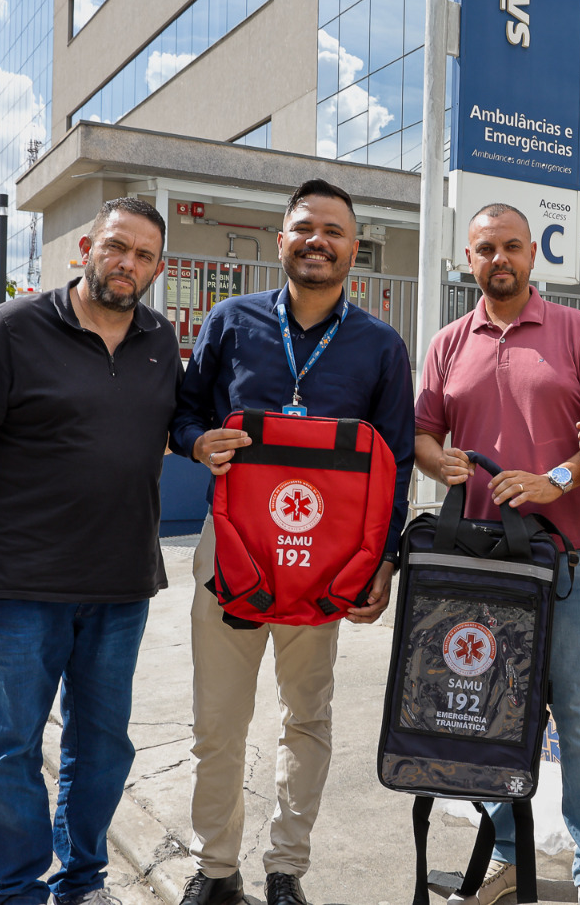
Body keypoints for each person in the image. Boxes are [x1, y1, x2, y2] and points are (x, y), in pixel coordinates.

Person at [0, 196, 180, 905]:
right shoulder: (15, 328)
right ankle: (15, 892)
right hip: (22, 589)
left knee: (102, 750)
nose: (127, 263)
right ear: (84, 248)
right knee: (12, 747)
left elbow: (165, 430)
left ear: (157, 269)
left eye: (143, 255)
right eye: (116, 247)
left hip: (121, 586)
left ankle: (82, 880)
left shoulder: (161, 340)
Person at [171, 178, 414, 905]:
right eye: (305, 228)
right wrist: (194, 443)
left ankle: (286, 870)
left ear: (354, 250)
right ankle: (216, 871)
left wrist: (385, 559)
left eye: (334, 231)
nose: (319, 241)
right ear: (282, 241)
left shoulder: (379, 346)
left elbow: (395, 461)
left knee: (305, 718)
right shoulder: (231, 321)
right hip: (233, 553)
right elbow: (182, 414)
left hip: (327, 563)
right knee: (218, 722)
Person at [414, 203, 580, 905]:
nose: (498, 259)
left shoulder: (575, 332)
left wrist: (553, 479)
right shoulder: (448, 343)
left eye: (510, 246)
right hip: (479, 563)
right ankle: (507, 852)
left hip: (564, 560)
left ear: (533, 254)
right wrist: (436, 461)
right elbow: (423, 432)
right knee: (491, 710)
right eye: (484, 249)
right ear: (467, 259)